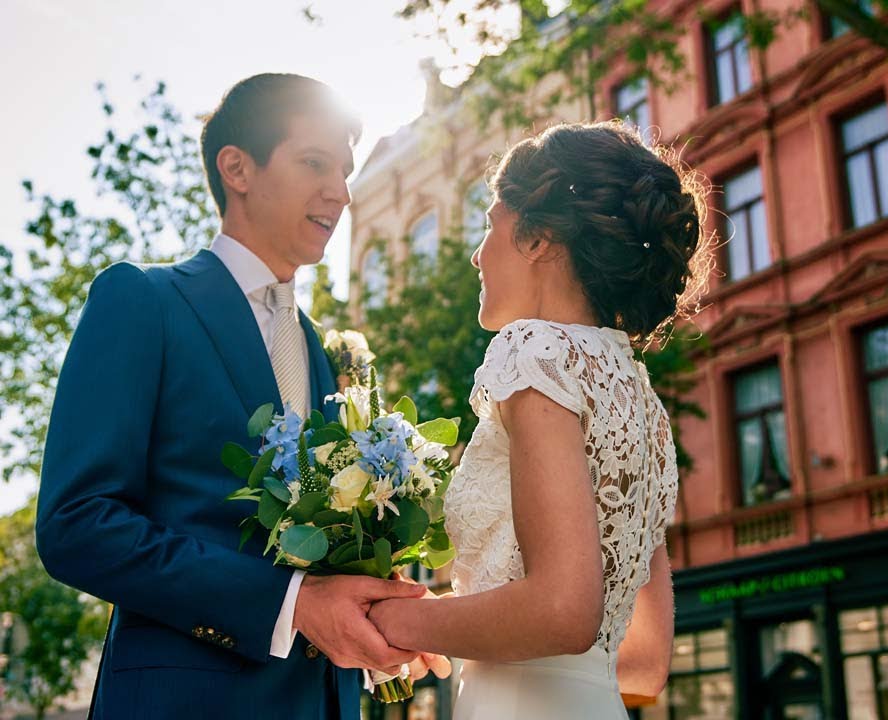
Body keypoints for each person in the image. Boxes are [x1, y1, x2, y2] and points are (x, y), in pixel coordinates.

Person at [35, 73, 429, 719]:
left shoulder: (332, 355)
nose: (342, 191)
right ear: (237, 168)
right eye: (314, 163)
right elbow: (76, 524)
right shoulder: (143, 301)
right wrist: (291, 605)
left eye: (346, 169)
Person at [367, 121, 714, 719]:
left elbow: (560, 610)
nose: (478, 254)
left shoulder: (536, 351)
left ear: (537, 238)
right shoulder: (640, 399)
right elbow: (645, 660)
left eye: (489, 225)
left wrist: (392, 619)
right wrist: (454, 624)